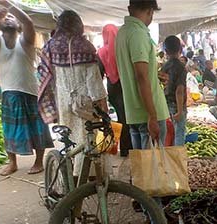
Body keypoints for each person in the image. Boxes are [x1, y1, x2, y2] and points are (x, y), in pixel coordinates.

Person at [37, 10, 108, 170]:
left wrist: (52, 108)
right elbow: (94, 84)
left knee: (68, 139)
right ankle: (86, 177)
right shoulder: (85, 46)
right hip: (85, 103)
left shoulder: (50, 46)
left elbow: (45, 79)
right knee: (87, 140)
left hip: (62, 100)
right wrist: (103, 108)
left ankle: (71, 178)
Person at [0, 1, 53, 176]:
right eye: (6, 17)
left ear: (18, 25)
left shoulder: (25, 41)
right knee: (9, 129)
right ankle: (12, 163)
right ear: (0, 24)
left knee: (37, 128)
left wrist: (8, 6)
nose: (9, 18)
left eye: (13, 17)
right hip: (9, 92)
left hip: (30, 92)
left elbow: (28, 22)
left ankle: (38, 161)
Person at [116, 0, 169, 149]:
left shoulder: (123, 32)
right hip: (148, 112)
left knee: (141, 166)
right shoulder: (138, 33)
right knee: (153, 167)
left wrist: (154, 75)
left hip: (134, 111)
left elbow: (134, 71)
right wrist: (152, 116)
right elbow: (141, 76)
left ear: (129, 8)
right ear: (150, 11)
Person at [96, 24, 133, 157]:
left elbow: (99, 76)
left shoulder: (101, 53)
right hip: (127, 87)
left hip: (113, 89)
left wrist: (100, 98)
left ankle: (124, 149)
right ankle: (131, 147)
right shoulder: (124, 48)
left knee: (121, 118)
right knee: (129, 118)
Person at [161, 35, 187, 146]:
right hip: (176, 105)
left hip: (165, 103)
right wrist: (180, 111)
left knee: (168, 132)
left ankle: (168, 158)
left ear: (165, 51)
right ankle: (177, 160)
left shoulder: (164, 66)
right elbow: (179, 90)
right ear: (181, 49)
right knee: (179, 132)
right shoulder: (181, 67)